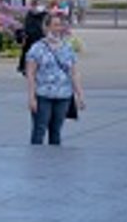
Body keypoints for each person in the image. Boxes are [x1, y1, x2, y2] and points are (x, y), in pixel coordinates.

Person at [25, 12, 85, 146]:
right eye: (55, 25)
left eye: (60, 25)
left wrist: (79, 95)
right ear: (46, 27)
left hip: (63, 95)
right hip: (43, 94)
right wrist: (31, 97)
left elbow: (74, 73)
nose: (58, 28)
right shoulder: (37, 48)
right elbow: (31, 74)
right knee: (39, 129)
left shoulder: (67, 48)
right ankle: (37, 157)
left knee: (56, 130)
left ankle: (55, 160)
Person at [16, 0, 47, 76]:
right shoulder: (31, 13)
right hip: (31, 36)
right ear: (34, 4)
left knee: (39, 52)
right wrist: (24, 35)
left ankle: (38, 67)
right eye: (39, 3)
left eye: (41, 3)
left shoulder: (43, 13)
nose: (41, 5)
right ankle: (24, 67)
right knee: (28, 52)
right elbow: (26, 25)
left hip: (39, 35)